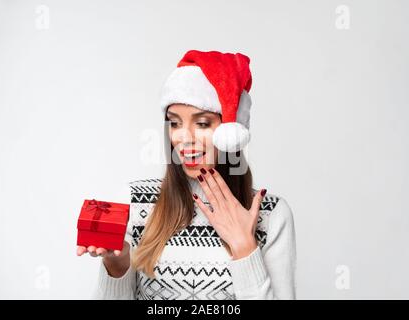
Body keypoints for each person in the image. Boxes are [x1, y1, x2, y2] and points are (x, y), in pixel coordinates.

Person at [77, 50, 297, 300]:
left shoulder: (272, 215)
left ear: (230, 131)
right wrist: (117, 267)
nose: (183, 138)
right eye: (175, 123)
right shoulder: (135, 201)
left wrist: (245, 250)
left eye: (202, 123)